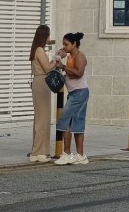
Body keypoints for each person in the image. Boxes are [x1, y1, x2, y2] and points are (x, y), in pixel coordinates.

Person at [53, 31, 90, 166]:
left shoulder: (80, 56)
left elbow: (78, 73)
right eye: (63, 44)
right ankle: (81, 155)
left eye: (66, 44)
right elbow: (69, 73)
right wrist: (59, 56)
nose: (64, 47)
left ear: (74, 44)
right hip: (75, 93)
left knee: (65, 121)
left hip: (79, 92)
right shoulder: (70, 56)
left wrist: (63, 66)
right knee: (76, 124)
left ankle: (67, 153)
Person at [28, 24, 53, 163]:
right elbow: (48, 68)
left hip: (39, 82)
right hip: (42, 82)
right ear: (44, 36)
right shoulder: (39, 50)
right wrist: (56, 59)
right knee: (42, 118)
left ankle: (39, 150)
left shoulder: (36, 49)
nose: (49, 38)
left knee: (40, 117)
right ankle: (39, 151)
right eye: (48, 35)